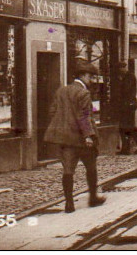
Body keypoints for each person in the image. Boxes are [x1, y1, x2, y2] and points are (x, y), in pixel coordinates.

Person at [43, 60, 105, 213]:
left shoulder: (61, 91)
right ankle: (93, 198)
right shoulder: (83, 93)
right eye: (90, 77)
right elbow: (83, 117)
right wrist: (89, 136)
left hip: (65, 139)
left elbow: (52, 112)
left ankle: (69, 204)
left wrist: (63, 127)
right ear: (83, 76)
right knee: (91, 168)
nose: (92, 81)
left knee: (68, 171)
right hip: (82, 140)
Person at [115, 62, 137, 155]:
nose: (119, 71)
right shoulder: (127, 77)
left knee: (128, 127)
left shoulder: (129, 77)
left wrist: (119, 82)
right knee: (125, 127)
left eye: (120, 69)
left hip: (128, 105)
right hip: (126, 105)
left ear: (124, 68)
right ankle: (126, 148)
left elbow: (126, 90)